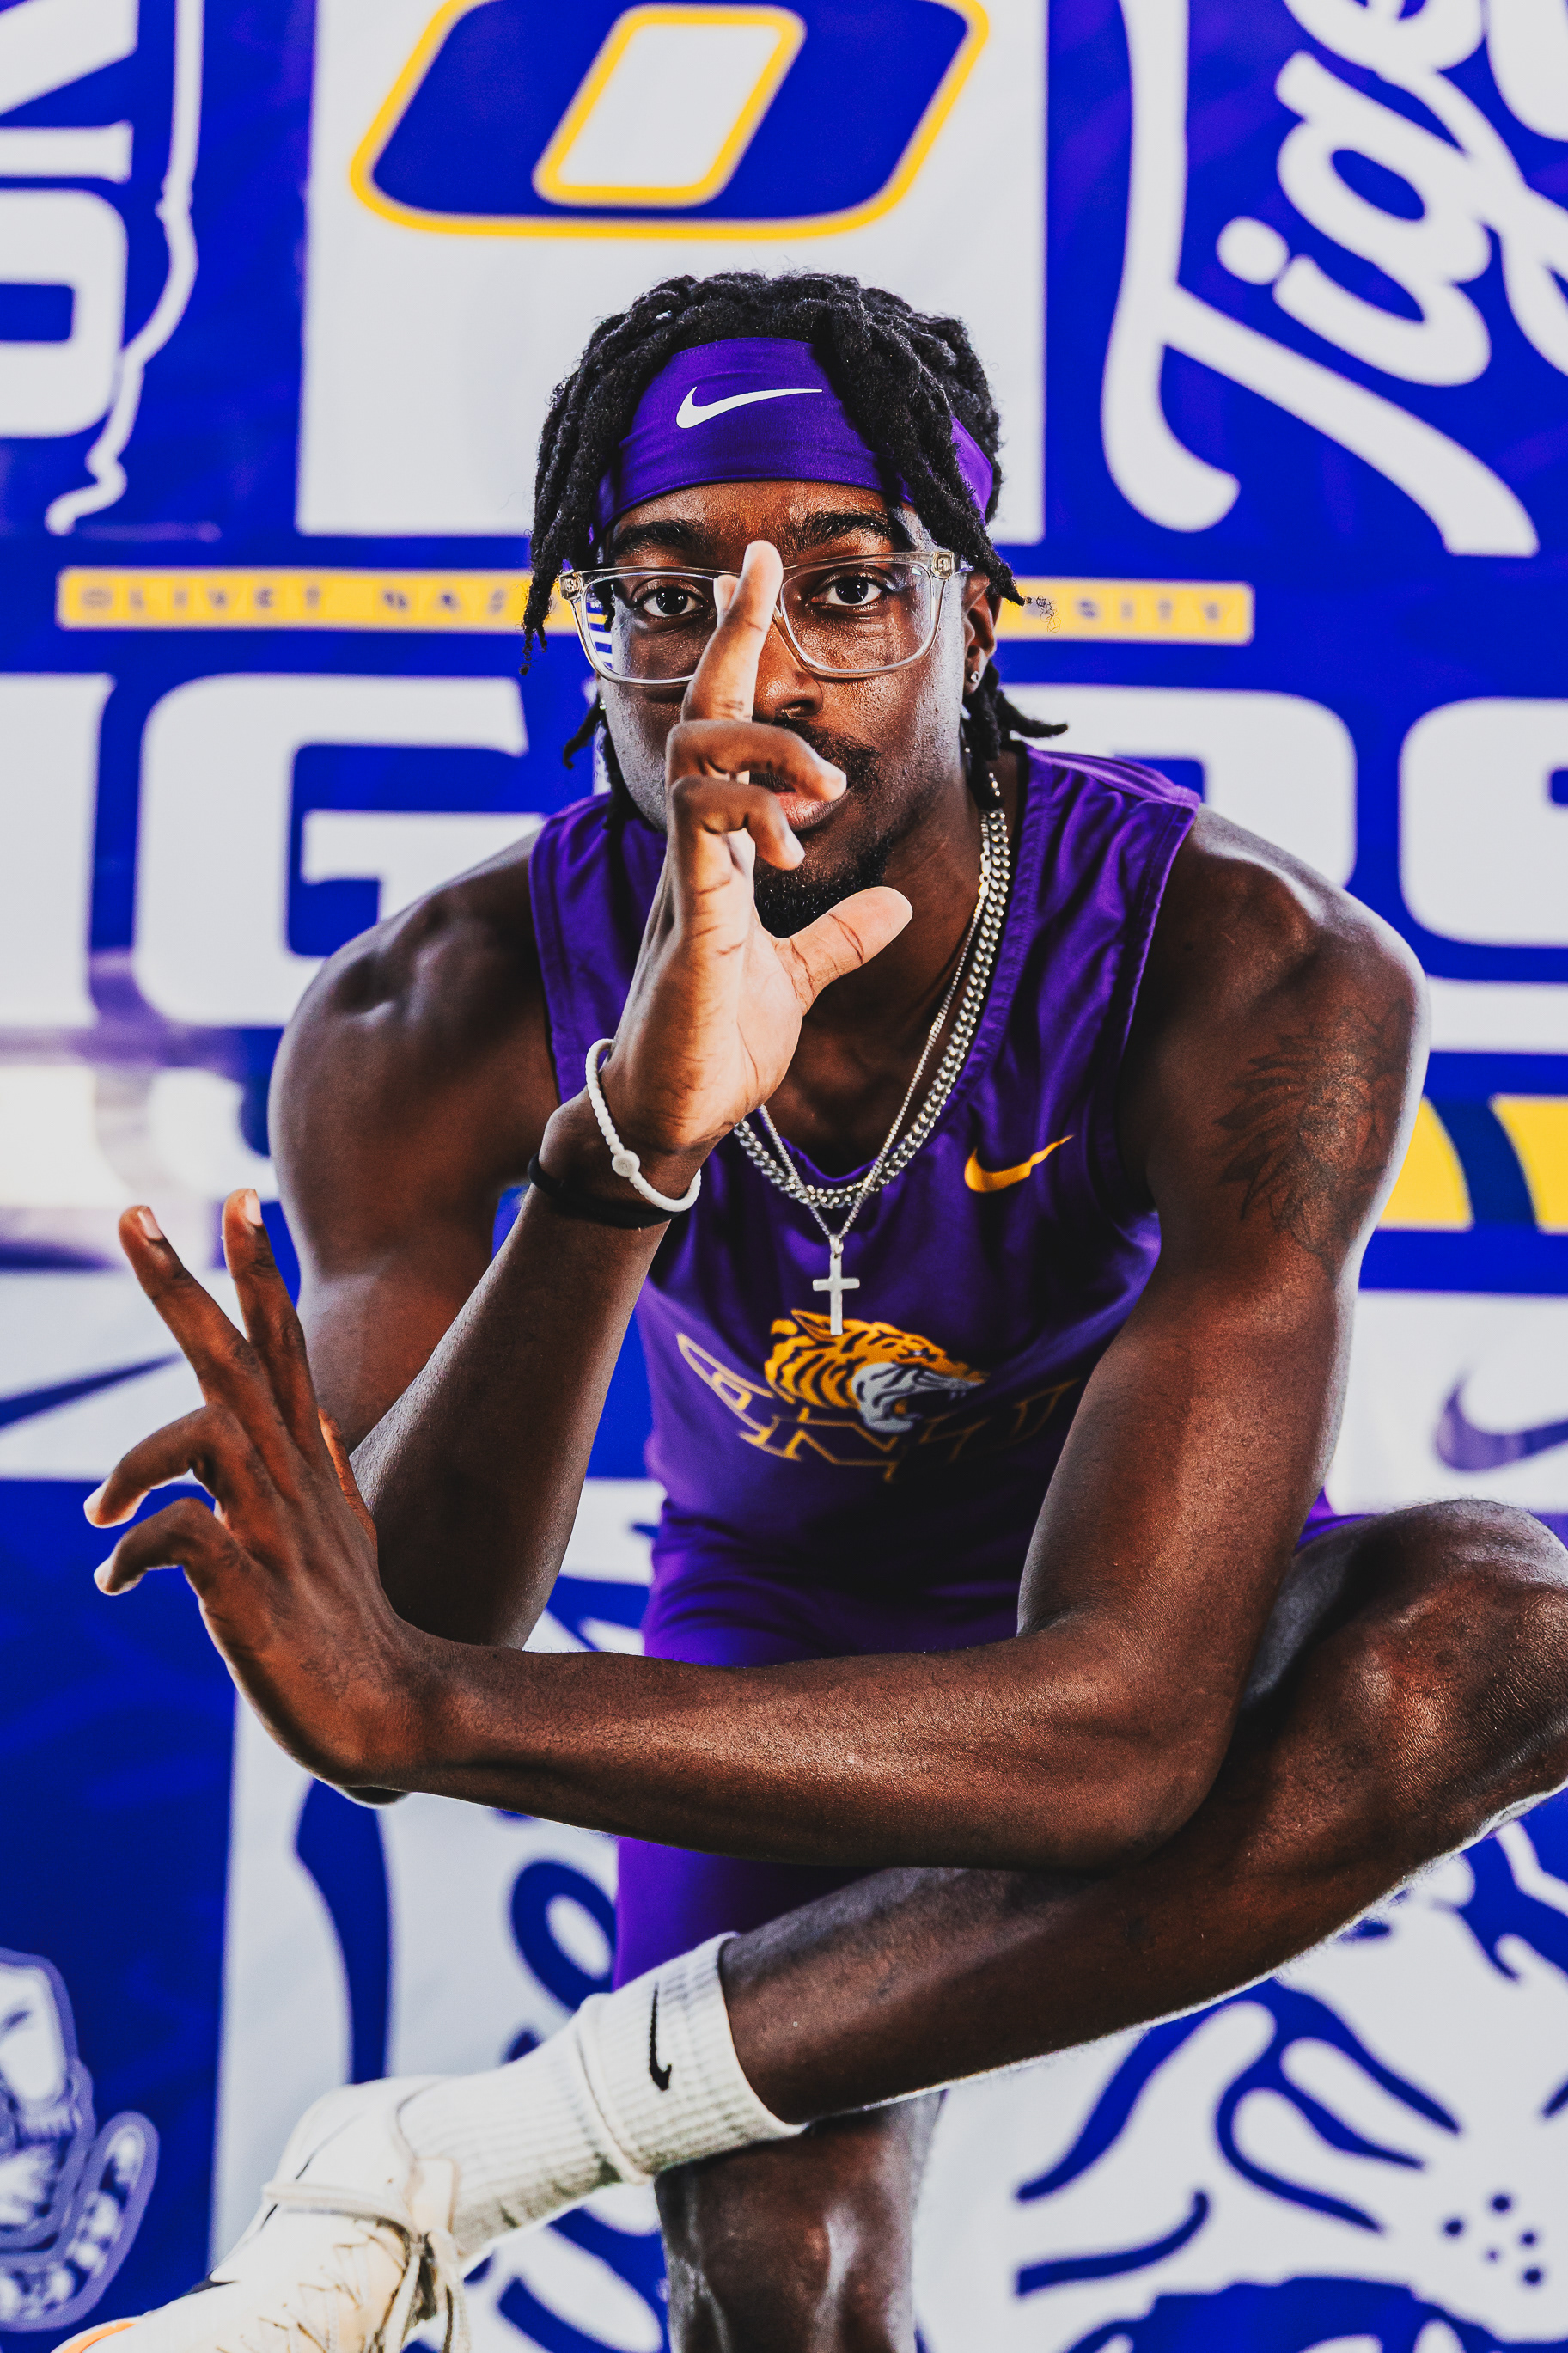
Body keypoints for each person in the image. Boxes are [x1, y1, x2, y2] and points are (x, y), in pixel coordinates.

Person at [65, 272, 1568, 2353]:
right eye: (664, 594)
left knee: (1500, 1627)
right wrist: (623, 1153)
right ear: (584, 630)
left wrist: (440, 1714)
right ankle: (489, 2161)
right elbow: (402, 1627)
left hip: (1141, 1586)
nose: (747, 670)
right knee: (782, 2273)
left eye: (848, 588)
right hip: (774, 1617)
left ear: (976, 616)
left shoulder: (1250, 962)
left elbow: (1120, 1735)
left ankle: (453, 2160)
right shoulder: (439, 1005)